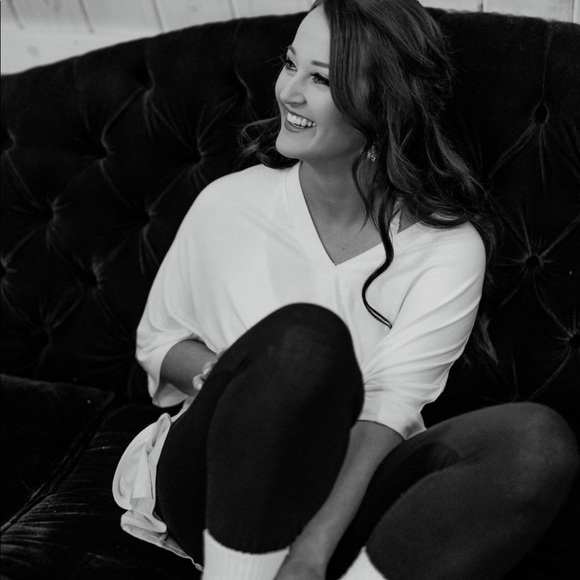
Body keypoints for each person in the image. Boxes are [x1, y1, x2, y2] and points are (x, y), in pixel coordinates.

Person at [112, 1, 578, 579]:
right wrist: (233, 380)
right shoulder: (228, 203)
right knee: (304, 342)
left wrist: (311, 554)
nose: (288, 91)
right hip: (216, 482)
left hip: (349, 487)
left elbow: (386, 413)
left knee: (536, 442)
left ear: (386, 104)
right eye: (290, 64)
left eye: (322, 79)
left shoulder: (447, 248)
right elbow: (160, 343)